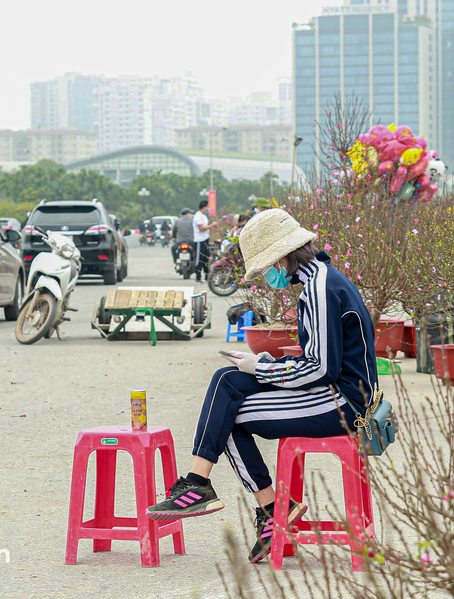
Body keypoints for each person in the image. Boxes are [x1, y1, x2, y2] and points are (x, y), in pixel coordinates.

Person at [144, 208, 378, 564]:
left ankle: (256, 504)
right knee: (227, 381)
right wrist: (260, 367)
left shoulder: (318, 288)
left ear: (282, 258)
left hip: (343, 403)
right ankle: (204, 485)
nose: (267, 277)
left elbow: (320, 370)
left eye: (267, 267)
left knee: (229, 418)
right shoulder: (323, 279)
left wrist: (264, 368)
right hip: (340, 393)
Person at [192, 199, 218, 283]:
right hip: (200, 240)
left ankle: (207, 276)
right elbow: (201, 228)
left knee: (206, 258)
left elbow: (206, 227)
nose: (208, 209)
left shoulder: (203, 216)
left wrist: (211, 227)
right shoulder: (197, 216)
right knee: (199, 258)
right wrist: (211, 225)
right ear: (204, 207)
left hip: (205, 239)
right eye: (208, 207)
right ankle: (198, 276)